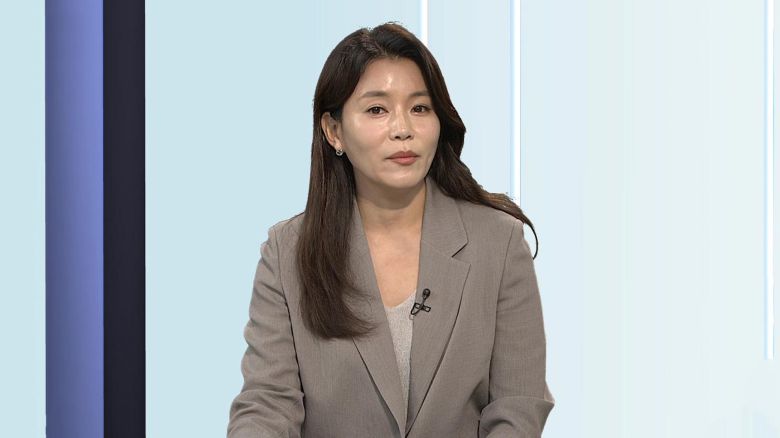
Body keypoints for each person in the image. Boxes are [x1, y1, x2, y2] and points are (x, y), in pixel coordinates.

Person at [227, 21, 554, 438]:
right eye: (377, 110)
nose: (403, 129)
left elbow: (518, 407)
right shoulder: (286, 252)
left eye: (420, 108)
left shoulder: (499, 242)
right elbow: (268, 405)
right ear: (333, 131)